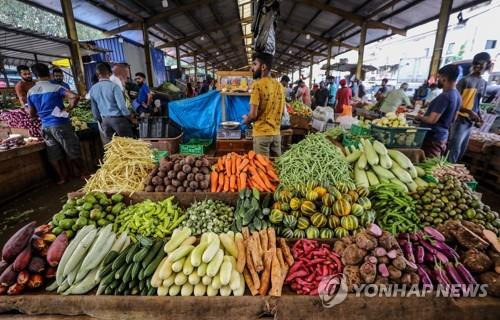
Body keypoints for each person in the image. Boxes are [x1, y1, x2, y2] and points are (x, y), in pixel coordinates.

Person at [27, 63, 86, 184]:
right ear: (49, 74)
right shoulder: (56, 87)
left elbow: (31, 114)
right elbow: (74, 96)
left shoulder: (31, 92)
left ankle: (62, 178)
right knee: (71, 149)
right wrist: (67, 109)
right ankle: (84, 174)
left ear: (35, 76)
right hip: (60, 123)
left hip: (45, 126)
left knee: (53, 153)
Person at [448, 52, 491, 163]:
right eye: (476, 64)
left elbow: (477, 103)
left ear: (487, 65)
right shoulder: (464, 81)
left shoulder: (483, 83)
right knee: (454, 150)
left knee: (462, 150)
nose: (478, 66)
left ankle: (451, 172)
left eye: (481, 64)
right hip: (459, 119)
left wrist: (479, 117)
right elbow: (455, 103)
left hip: (469, 122)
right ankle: (444, 173)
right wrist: (470, 112)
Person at [243, 52, 284, 157]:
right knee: (276, 169)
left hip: (261, 136)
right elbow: (282, 112)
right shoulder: (279, 86)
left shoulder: (257, 85)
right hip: (276, 135)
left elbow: (253, 115)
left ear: (263, 67)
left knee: (262, 171)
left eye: (254, 64)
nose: (252, 68)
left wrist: (246, 119)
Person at [417, 64, 461, 157]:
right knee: (434, 164)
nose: (437, 80)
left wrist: (419, 117)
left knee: (427, 163)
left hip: (433, 138)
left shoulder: (445, 96)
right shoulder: (457, 95)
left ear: (444, 79)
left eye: (439, 77)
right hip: (443, 135)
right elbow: (454, 118)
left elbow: (432, 120)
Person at [89, 63, 134, 144]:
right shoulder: (114, 86)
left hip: (105, 122)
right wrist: (130, 118)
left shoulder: (92, 89)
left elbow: (94, 110)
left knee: (113, 148)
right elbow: (122, 107)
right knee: (128, 145)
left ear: (97, 74)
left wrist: (101, 121)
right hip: (118, 121)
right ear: (109, 73)